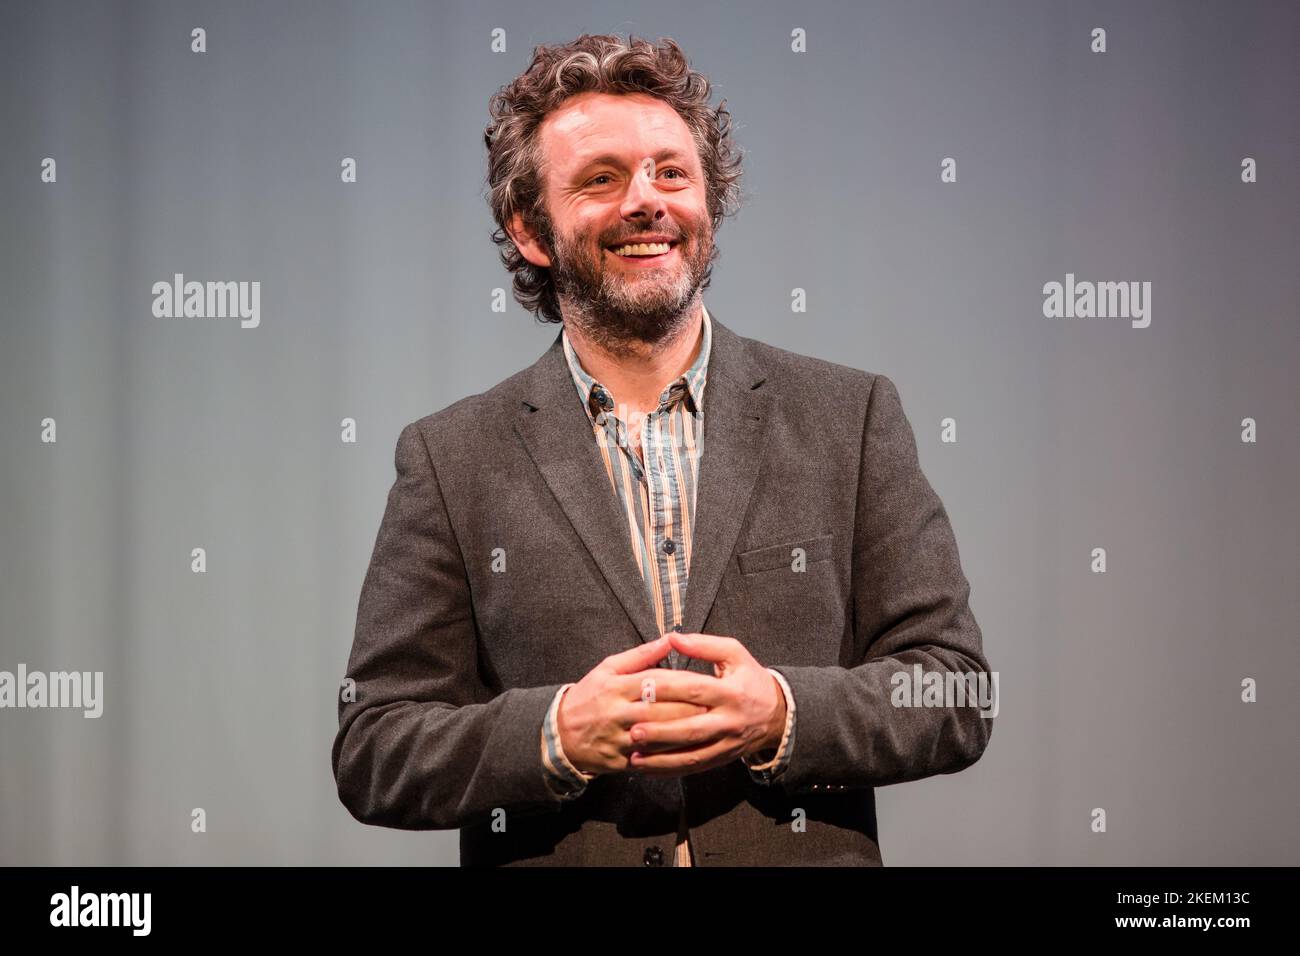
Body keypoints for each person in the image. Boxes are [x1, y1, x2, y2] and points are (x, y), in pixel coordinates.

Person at [332, 33, 993, 866]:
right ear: (530, 230)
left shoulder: (849, 416)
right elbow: (375, 750)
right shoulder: (451, 457)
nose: (646, 201)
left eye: (671, 172)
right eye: (601, 179)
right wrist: (554, 734)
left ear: (708, 203)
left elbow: (957, 692)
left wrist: (784, 713)